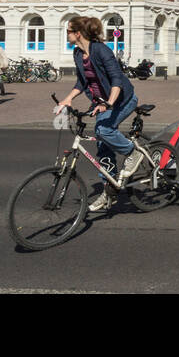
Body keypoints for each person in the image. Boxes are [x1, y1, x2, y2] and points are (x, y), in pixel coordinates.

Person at [53, 15, 142, 213]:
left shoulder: (101, 50)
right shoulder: (78, 54)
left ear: (78, 33)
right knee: (103, 148)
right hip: (101, 103)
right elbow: (82, 82)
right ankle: (109, 191)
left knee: (103, 130)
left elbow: (117, 79)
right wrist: (69, 98)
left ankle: (132, 152)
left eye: (68, 31)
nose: (66, 34)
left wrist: (109, 103)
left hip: (122, 99)